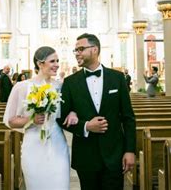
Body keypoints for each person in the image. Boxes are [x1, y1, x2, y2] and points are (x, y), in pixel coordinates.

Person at [58, 33, 136, 190]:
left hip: (114, 154)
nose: (77, 53)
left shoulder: (117, 78)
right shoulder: (70, 82)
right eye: (75, 50)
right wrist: (86, 126)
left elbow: (128, 118)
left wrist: (130, 150)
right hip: (86, 156)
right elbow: (61, 118)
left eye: (80, 49)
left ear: (94, 49)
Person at [3, 46, 78, 190]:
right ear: (40, 63)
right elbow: (10, 120)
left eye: (57, 61)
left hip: (57, 145)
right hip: (33, 145)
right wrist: (31, 119)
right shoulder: (21, 87)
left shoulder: (61, 86)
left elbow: (71, 107)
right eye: (52, 61)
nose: (57, 64)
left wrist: (73, 112)